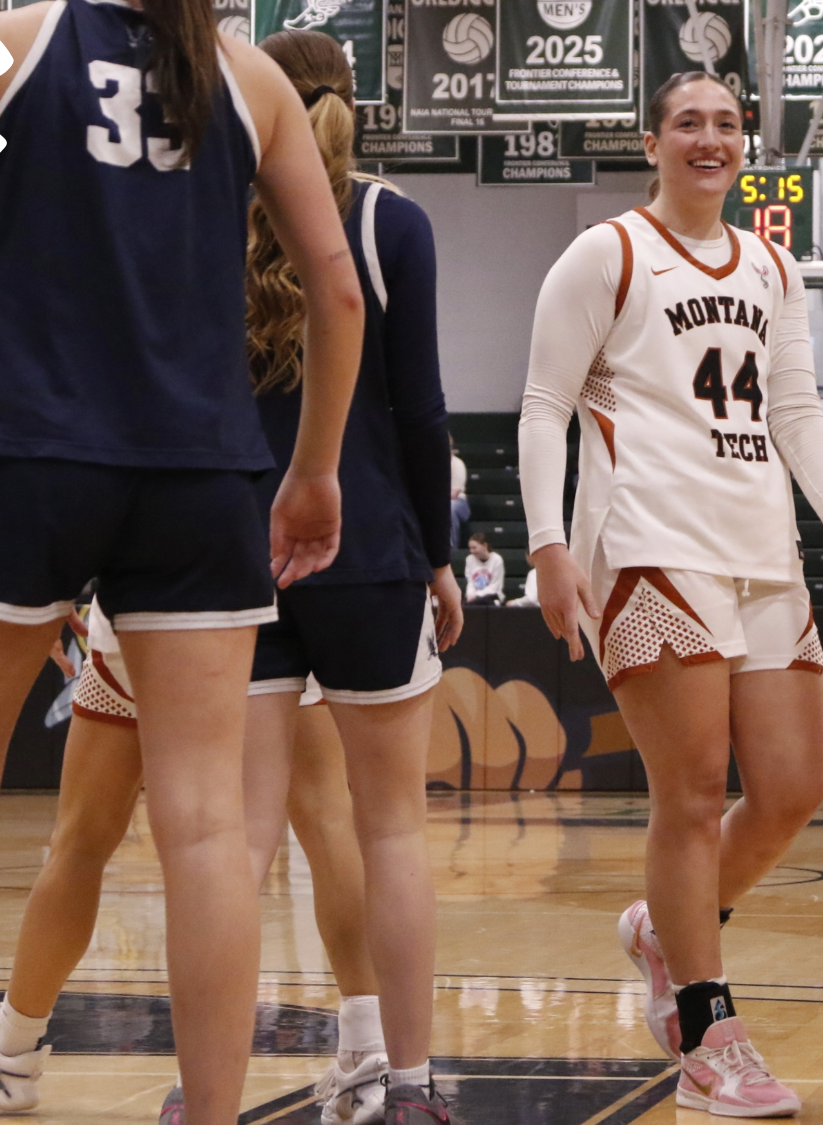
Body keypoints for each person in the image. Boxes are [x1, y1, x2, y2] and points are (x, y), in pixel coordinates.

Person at [0, 1, 359, 1123]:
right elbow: (338, 294)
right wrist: (316, 470)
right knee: (203, 827)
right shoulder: (253, 78)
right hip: (197, 475)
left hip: (22, 452)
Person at [520, 71, 823, 1118]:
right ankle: (706, 1033)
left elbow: (796, 412)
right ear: (652, 141)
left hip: (760, 550)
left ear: (745, 145)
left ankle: (660, 929)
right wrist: (549, 545)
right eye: (686, 122)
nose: (708, 139)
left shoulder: (772, 266)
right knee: (690, 791)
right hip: (647, 542)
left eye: (725, 125)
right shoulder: (606, 252)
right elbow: (544, 404)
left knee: (789, 788)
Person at [238, 32, 464, 1125]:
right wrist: (439, 555)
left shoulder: (209, 214)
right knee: (391, 834)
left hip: (230, 555)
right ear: (354, 108)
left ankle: (206, 1091)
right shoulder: (390, 224)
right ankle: (410, 1090)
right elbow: (419, 413)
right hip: (368, 549)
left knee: (221, 843)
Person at [0, 603, 385, 1119]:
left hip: (141, 609)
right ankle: (367, 1053)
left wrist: (51, 592)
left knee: (82, 840)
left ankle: (13, 1049)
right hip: (260, 612)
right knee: (324, 819)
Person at [464, 532, 507, 605]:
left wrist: (477, 595)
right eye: (470, 548)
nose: (471, 551)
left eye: (474, 548)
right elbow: (470, 582)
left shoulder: (497, 560)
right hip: (473, 597)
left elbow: (495, 586)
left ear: (485, 546)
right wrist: (470, 594)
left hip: (492, 596)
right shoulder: (469, 559)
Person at [448, 435, 469, 559]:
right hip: (438, 502)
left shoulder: (457, 464)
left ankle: (451, 548)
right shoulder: (430, 464)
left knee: (449, 508)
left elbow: (454, 493)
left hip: (458, 503)